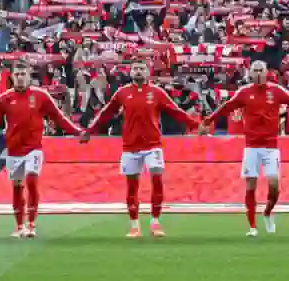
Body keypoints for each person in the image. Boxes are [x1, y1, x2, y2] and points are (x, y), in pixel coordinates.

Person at [200, 60, 289, 237]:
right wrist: (209, 120)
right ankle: (252, 227)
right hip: (251, 146)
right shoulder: (244, 92)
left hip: (270, 146)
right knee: (250, 185)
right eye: (255, 71)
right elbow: (227, 106)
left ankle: (268, 212)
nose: (259, 73)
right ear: (250, 73)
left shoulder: (276, 91)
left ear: (267, 72)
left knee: (274, 185)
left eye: (261, 70)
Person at [80, 61, 200, 238]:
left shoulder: (157, 92)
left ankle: (155, 222)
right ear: (130, 72)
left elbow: (176, 111)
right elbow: (106, 113)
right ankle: (134, 225)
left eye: (142, 68)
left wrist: (196, 124)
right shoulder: (122, 93)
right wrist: (90, 131)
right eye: (135, 68)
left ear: (148, 72)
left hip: (153, 145)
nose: (138, 71)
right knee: (132, 186)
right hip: (130, 146)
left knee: (157, 180)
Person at [0, 62, 84, 239]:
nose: (21, 77)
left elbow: (58, 117)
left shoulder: (41, 96)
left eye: (24, 73)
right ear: (12, 77)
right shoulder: (5, 99)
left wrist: (77, 132)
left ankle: (31, 224)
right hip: (14, 150)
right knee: (17, 188)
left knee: (31, 179)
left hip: (33, 148)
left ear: (29, 76)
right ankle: (19, 226)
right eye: (18, 74)